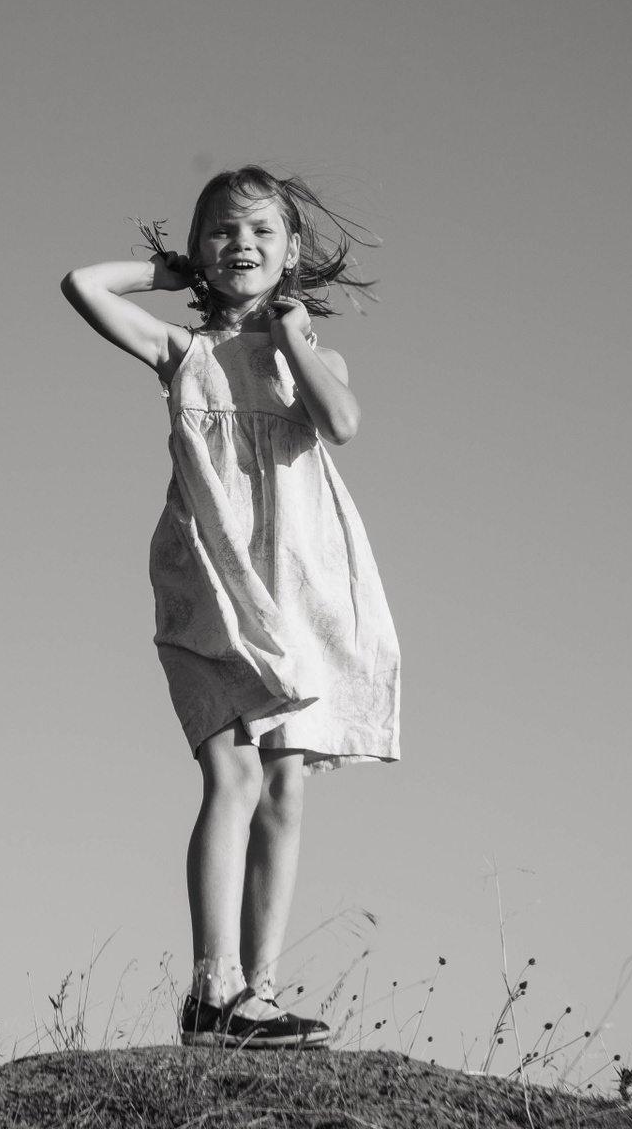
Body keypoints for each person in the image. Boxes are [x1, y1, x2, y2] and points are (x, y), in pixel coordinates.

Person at [59, 166, 402, 1049]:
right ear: (199, 249)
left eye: (259, 232)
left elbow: (342, 422)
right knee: (235, 774)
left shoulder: (310, 358)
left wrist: (291, 335)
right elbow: (83, 285)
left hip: (297, 588)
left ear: (291, 252)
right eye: (220, 230)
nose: (239, 244)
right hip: (211, 578)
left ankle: (258, 996)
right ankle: (212, 991)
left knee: (284, 787)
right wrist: (164, 275)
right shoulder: (183, 353)